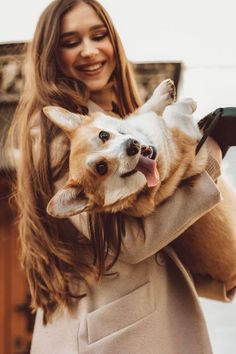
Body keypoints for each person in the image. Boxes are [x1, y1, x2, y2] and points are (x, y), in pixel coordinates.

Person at [8, 0, 235, 353]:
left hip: (137, 319)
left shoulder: (113, 119)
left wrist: (219, 271)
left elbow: (160, 226)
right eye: (71, 42)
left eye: (99, 36)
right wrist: (211, 155)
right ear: (50, 55)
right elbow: (127, 243)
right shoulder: (58, 136)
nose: (89, 50)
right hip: (114, 332)